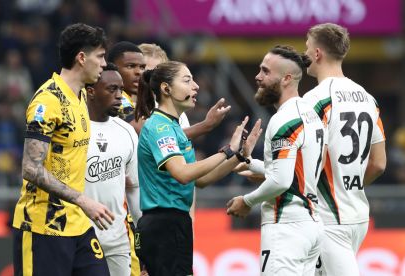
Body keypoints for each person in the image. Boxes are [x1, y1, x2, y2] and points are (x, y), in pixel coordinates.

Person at [135, 60, 262, 275]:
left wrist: (239, 154)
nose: (196, 86)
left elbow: (200, 179)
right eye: (187, 80)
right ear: (166, 89)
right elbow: (183, 174)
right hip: (163, 226)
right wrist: (227, 151)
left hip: (175, 223)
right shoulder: (160, 127)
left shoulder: (174, 127)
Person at [12, 23, 114, 276]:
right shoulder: (47, 101)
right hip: (42, 228)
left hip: (78, 225)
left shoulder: (79, 96)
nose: (104, 64)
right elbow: (30, 168)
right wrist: (83, 199)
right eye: (100, 57)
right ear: (81, 57)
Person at [227, 45, 325, 276]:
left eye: (265, 71)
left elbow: (281, 181)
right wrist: (251, 163)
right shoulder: (310, 115)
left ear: (286, 78)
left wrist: (247, 201)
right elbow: (294, 172)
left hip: (286, 227)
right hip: (311, 225)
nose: (257, 77)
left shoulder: (284, 120)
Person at [303, 23, 386, 276]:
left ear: (317, 53)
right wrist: (349, 186)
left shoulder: (314, 101)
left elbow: (306, 161)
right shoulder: (368, 98)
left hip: (330, 217)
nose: (304, 54)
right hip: (357, 214)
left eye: (307, 48)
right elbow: (379, 163)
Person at [84, 63, 142, 276]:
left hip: (117, 239)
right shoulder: (74, 131)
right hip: (81, 237)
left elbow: (134, 188)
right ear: (91, 92)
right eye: (112, 89)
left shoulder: (126, 131)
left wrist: (141, 238)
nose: (120, 96)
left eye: (121, 89)